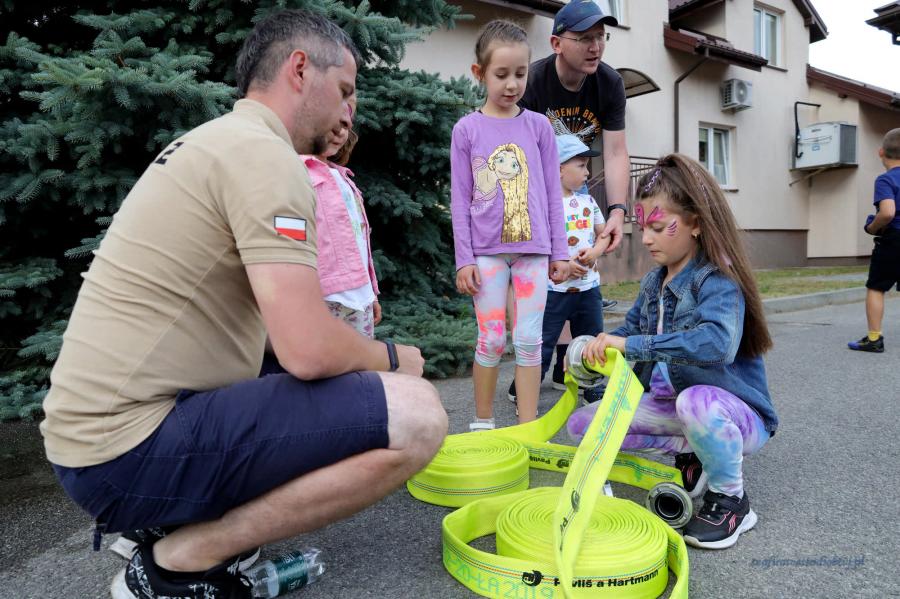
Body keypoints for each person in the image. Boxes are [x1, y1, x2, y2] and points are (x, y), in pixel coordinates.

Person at [39, 10, 447, 598]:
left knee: (324, 378)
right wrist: (391, 359)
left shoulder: (214, 141)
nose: (348, 112)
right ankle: (181, 558)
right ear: (300, 69)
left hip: (94, 444)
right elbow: (307, 349)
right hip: (123, 456)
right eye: (344, 90)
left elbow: (278, 339)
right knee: (418, 416)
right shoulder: (266, 157)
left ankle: (167, 517)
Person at [566, 154, 778, 550]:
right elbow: (630, 332)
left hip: (733, 415)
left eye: (660, 227)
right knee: (583, 426)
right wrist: (597, 347)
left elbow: (716, 343)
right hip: (676, 408)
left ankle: (732, 500)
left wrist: (633, 345)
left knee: (695, 403)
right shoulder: (653, 282)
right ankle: (693, 454)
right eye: (643, 227)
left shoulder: (717, 280)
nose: (647, 239)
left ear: (695, 223)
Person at [451, 20, 570, 431]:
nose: (512, 84)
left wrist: (560, 252)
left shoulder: (539, 127)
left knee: (529, 340)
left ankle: (527, 428)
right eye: (501, 74)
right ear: (479, 73)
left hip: (533, 254)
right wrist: (464, 259)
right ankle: (483, 424)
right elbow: (460, 197)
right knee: (491, 339)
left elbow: (552, 193)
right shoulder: (466, 130)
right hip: (485, 254)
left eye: (520, 73)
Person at [519, 0, 630, 371]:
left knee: (578, 276)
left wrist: (617, 212)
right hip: (534, 194)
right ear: (557, 43)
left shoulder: (610, 83)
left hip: (574, 193)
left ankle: (567, 365)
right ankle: (533, 363)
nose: (595, 46)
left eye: (601, 37)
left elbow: (615, 152)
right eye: (584, 38)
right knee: (547, 284)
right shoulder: (533, 82)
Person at [507, 133, 610, 406]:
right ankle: (525, 386)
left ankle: (591, 386)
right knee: (544, 341)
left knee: (590, 340)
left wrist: (595, 252)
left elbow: (605, 234)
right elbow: (535, 243)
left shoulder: (588, 202)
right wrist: (562, 263)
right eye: (581, 166)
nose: (587, 173)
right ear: (558, 168)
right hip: (553, 290)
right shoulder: (542, 205)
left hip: (588, 289)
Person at [301, 105, 382, 338]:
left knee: (361, 358)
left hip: (360, 297)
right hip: (325, 297)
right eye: (332, 123)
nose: (339, 131)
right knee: (324, 358)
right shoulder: (298, 171)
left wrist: (370, 292)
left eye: (345, 125)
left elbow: (359, 242)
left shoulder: (344, 177)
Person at [848, 127, 900, 353]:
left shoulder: (885, 180)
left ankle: (874, 339)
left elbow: (887, 212)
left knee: (876, 287)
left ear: (881, 152)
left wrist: (872, 227)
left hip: (894, 239)